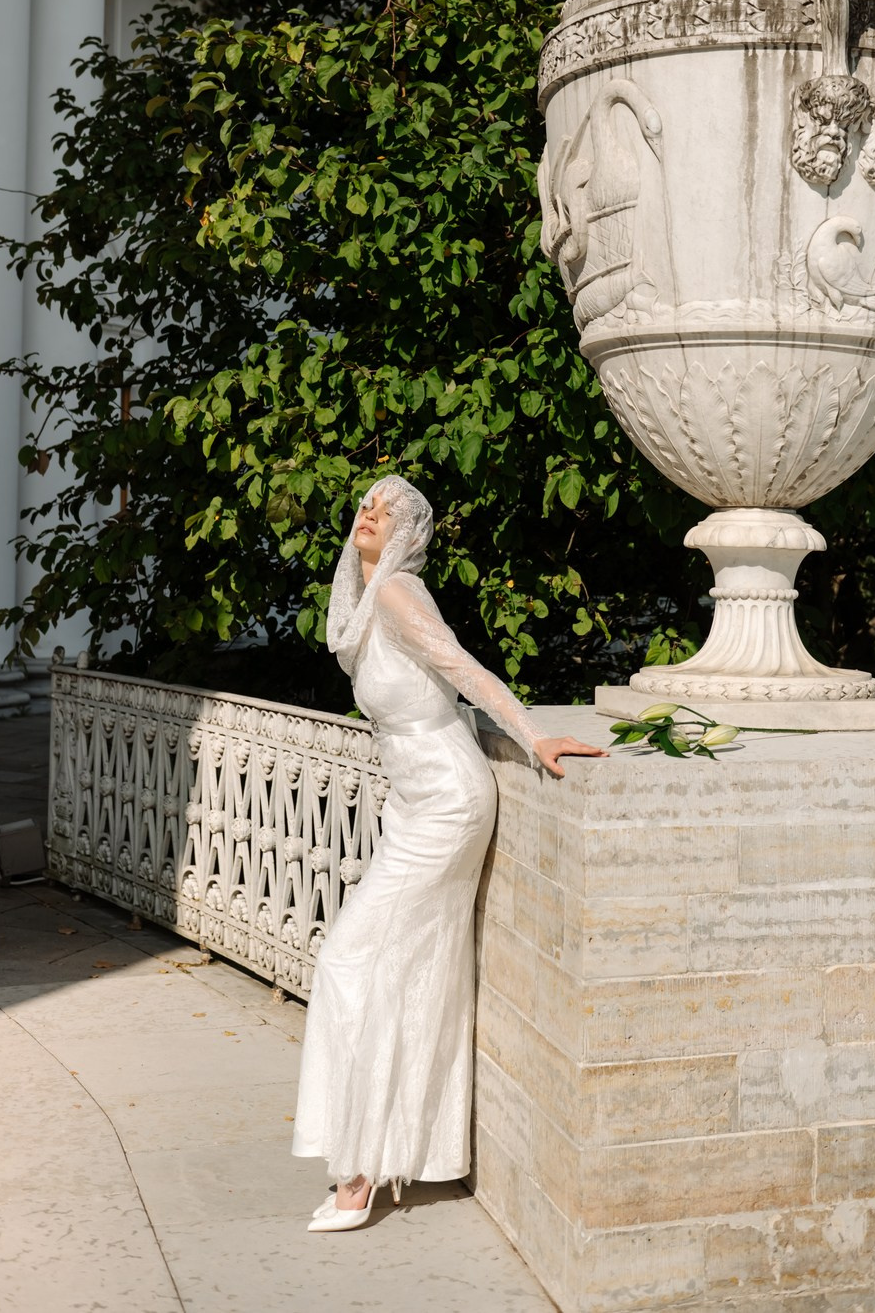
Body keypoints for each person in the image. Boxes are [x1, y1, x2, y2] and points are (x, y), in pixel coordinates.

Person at [291, 474, 606, 1231]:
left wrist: (532, 734)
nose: (369, 516)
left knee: (348, 960)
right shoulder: (366, 604)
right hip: (412, 803)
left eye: (386, 511)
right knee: (407, 968)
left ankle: (361, 1171)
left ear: (407, 534)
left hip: (448, 801)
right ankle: (396, 1154)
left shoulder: (399, 592)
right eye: (366, 506)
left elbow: (463, 670)